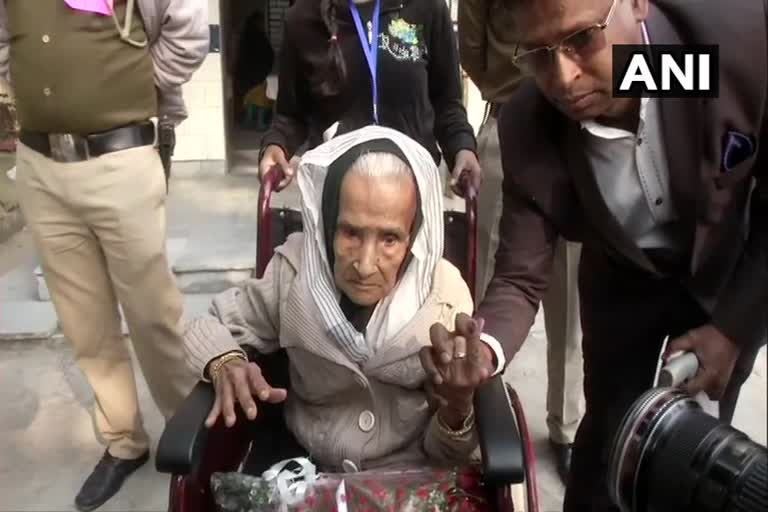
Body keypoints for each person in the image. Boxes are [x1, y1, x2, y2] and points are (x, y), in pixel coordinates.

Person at [464, 0, 767, 510]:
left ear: (635, 3)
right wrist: (484, 348)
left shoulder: (715, 58)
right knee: (606, 442)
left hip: (722, 281)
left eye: (581, 39)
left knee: (695, 457)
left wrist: (734, 328)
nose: (562, 78)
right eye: (537, 54)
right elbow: (519, 278)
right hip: (622, 282)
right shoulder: (532, 123)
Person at [184, 126, 494, 471]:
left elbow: (448, 455)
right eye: (350, 232)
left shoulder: (444, 298)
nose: (364, 264)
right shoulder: (293, 274)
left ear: (414, 236)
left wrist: (457, 408)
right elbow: (209, 324)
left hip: (409, 480)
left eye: (390, 239)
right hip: (306, 472)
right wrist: (225, 362)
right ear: (328, 221)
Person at [0, 1, 208, 510]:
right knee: (84, 322)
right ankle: (124, 440)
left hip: (120, 159)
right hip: (40, 166)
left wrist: (134, 84)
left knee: (153, 315)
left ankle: (196, 441)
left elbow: (189, 32)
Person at [458, 0, 584, 483]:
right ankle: (480, 406)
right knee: (489, 283)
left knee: (569, 293)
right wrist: (510, 93)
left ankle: (566, 426)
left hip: (574, 123)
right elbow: (472, 49)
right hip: (507, 118)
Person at [257, 0, 482, 193]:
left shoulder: (426, 7)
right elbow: (290, 115)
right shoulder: (303, 18)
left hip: (414, 192)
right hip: (332, 198)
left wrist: (462, 148)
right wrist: (276, 146)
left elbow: (447, 103)